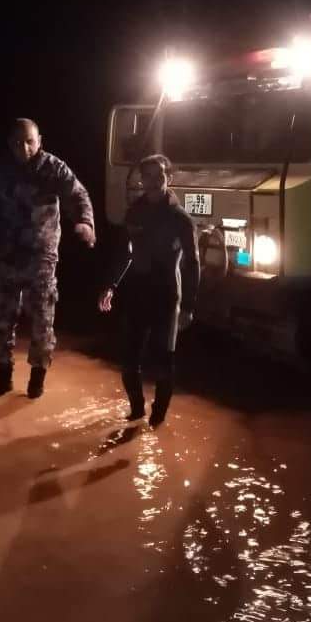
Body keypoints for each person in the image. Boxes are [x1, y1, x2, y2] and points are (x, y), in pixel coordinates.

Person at [0, 118, 95, 399]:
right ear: (9, 144)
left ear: (39, 141)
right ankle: (2, 378)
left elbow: (78, 195)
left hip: (40, 258)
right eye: (18, 143)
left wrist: (85, 222)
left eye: (30, 142)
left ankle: (37, 377)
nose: (24, 148)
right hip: (3, 256)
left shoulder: (53, 168)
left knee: (42, 320)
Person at [98, 154, 199, 427]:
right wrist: (110, 286)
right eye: (148, 176)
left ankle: (158, 419)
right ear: (141, 180)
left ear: (169, 178)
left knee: (163, 360)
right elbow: (124, 253)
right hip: (137, 293)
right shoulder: (134, 212)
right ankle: (136, 411)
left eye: (159, 176)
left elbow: (193, 263)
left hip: (167, 295)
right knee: (128, 361)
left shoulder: (181, 219)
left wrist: (188, 306)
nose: (153, 182)